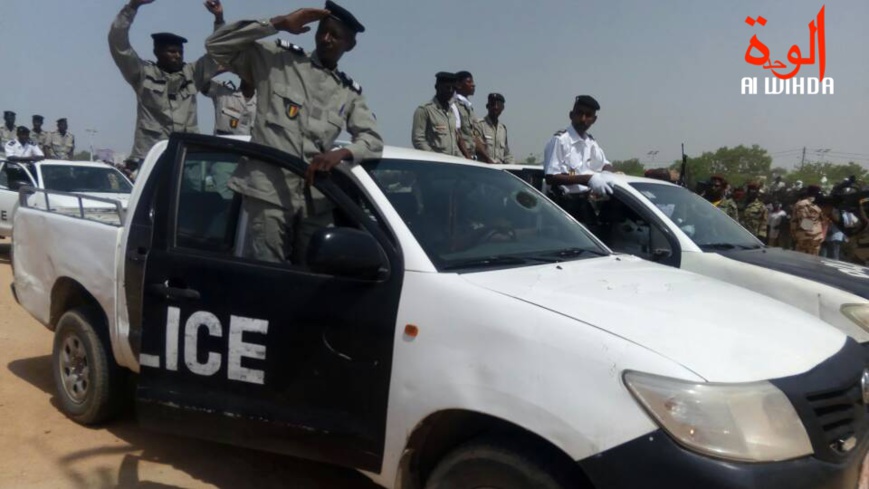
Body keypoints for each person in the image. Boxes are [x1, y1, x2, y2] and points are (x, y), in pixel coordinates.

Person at [206, 1, 382, 263]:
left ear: (350, 44)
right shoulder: (278, 61)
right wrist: (278, 23)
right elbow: (216, 45)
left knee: (316, 276)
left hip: (316, 202)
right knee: (270, 277)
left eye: (335, 35)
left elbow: (372, 140)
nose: (325, 38)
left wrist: (341, 153)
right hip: (269, 194)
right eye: (322, 30)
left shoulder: (349, 93)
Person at [109, 0, 225, 163]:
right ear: (157, 52)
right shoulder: (142, 73)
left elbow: (217, 53)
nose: (177, 55)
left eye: (180, 52)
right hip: (150, 157)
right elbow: (119, 44)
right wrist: (132, 7)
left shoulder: (192, 74)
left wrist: (219, 18)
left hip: (186, 157)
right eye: (171, 51)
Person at [543, 95, 615, 197]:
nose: (583, 119)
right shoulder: (560, 140)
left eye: (588, 115)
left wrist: (607, 174)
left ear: (594, 120)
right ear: (571, 115)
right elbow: (551, 177)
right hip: (562, 202)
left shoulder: (590, 142)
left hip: (584, 201)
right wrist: (587, 179)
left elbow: (605, 164)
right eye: (579, 113)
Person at [412, 72, 462, 156]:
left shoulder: (451, 112)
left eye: (453, 88)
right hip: (435, 165)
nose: (450, 91)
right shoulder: (425, 110)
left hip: (451, 163)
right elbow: (418, 140)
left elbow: (454, 145)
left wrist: (463, 160)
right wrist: (435, 158)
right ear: (437, 87)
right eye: (447, 87)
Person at [452, 71, 489, 162]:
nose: (473, 85)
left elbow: (474, 136)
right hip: (461, 156)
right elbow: (458, 135)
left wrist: (488, 159)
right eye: (469, 82)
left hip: (472, 155)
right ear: (458, 85)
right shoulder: (454, 105)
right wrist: (467, 158)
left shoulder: (468, 107)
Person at [476, 93, 514, 165]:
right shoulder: (479, 124)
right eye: (493, 104)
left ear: (503, 108)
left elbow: (506, 153)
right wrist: (489, 160)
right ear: (487, 106)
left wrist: (512, 166)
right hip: (484, 168)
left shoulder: (502, 129)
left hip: (498, 170)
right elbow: (478, 147)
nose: (496, 107)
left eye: (498, 105)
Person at [790, 185, 826, 255]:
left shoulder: (816, 205)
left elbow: (823, 220)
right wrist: (810, 236)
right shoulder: (803, 204)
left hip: (815, 239)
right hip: (806, 239)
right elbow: (805, 223)